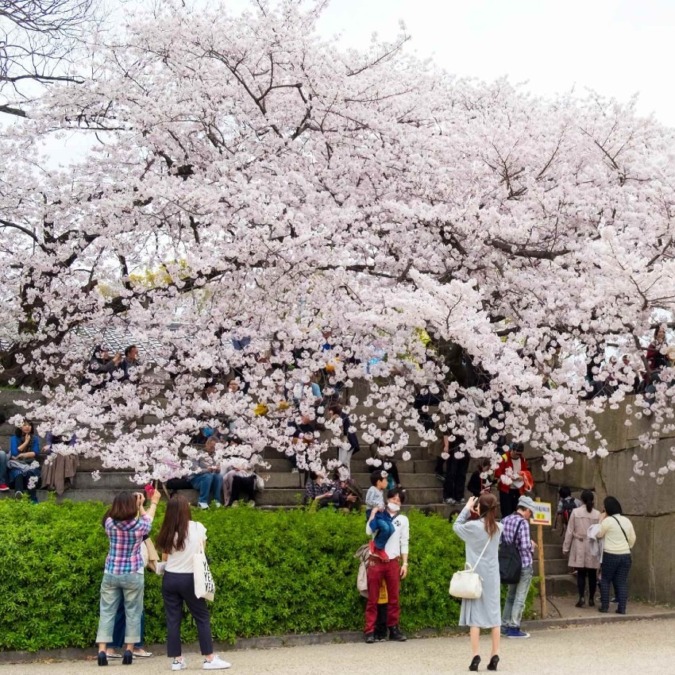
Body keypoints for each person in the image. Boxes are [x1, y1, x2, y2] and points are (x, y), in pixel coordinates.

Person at [156, 495, 231, 671]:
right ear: (186, 509)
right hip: (190, 578)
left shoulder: (167, 530)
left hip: (170, 578)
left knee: (173, 620)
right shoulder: (197, 527)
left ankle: (177, 660)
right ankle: (209, 658)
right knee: (202, 617)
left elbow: (164, 558)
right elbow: (201, 553)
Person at [95, 489, 161, 666]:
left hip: (111, 572)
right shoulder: (140, 527)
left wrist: (124, 503)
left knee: (106, 612)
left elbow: (110, 514)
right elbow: (149, 519)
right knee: (133, 612)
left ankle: (102, 650)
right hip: (132, 573)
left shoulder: (109, 524)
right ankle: (129, 651)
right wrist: (145, 504)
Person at [453, 494, 502, 672]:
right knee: (494, 616)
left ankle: (475, 656)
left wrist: (467, 508)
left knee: (475, 618)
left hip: (474, 578)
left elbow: (456, 526)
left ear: (479, 508)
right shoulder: (499, 528)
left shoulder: (472, 527)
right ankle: (495, 654)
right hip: (492, 577)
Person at [364, 488, 409, 644]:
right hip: (376, 560)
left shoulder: (403, 519)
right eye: (393, 499)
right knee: (373, 598)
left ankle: (394, 628)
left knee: (394, 598)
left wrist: (405, 563)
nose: (395, 502)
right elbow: (368, 531)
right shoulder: (380, 514)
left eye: (398, 500)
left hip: (393, 562)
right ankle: (370, 630)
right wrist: (373, 513)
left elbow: (404, 541)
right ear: (387, 499)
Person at [500, 495, 537, 639]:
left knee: (510, 596)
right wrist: (532, 545)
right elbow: (524, 545)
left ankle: (504, 625)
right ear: (526, 509)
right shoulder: (523, 523)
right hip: (524, 564)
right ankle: (514, 627)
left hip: (510, 564)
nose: (530, 515)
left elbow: (501, 541)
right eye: (530, 512)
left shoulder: (505, 520)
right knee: (520, 597)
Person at [596, 496, 636, 615]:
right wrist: (626, 547)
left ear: (607, 508)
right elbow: (632, 538)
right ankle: (622, 608)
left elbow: (598, 534)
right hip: (625, 555)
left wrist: (600, 520)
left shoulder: (608, 521)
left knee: (605, 580)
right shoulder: (627, 520)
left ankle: (605, 606)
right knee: (622, 581)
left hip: (610, 554)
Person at [563, 489, 601, 608]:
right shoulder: (597, 514)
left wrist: (566, 547)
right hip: (592, 544)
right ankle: (591, 599)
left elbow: (569, 531)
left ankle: (581, 597)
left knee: (580, 573)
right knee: (592, 574)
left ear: (582, 499)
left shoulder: (575, 512)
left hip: (579, 543)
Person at [494, 443, 532, 518]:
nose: (517, 455)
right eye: (516, 453)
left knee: (518, 511)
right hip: (506, 490)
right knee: (506, 512)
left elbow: (526, 472)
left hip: (518, 489)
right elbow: (498, 473)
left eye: (519, 454)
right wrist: (507, 477)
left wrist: (522, 477)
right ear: (512, 450)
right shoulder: (504, 458)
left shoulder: (522, 459)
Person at [8, 421, 41, 502]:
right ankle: (19, 496)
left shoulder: (35, 438)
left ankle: (33, 499)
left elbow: (35, 453)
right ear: (20, 427)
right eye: (25, 425)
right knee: (18, 473)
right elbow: (15, 453)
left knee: (31, 473)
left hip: (31, 464)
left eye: (29, 425)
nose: (27, 427)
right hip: (17, 465)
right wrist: (26, 442)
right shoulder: (14, 438)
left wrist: (22, 454)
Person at [365, 469, 394, 559]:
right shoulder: (372, 489)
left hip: (381, 513)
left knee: (391, 528)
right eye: (385, 480)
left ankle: (376, 543)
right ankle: (379, 548)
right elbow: (367, 501)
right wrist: (377, 505)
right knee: (385, 527)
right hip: (374, 513)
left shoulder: (381, 491)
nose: (386, 482)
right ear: (379, 482)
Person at [188, 438, 224, 509]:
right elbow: (194, 469)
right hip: (197, 479)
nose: (213, 449)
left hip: (210, 479)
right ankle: (202, 502)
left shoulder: (216, 456)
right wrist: (206, 470)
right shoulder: (197, 454)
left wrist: (218, 470)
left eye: (214, 448)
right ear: (206, 444)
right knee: (208, 476)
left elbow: (216, 470)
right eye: (211, 447)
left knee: (218, 476)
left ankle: (217, 501)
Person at [327, 403, 360, 474]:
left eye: (330, 411)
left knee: (345, 462)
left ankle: (346, 480)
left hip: (348, 442)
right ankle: (341, 480)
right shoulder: (337, 418)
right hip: (342, 442)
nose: (329, 412)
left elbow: (342, 431)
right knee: (340, 461)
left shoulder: (343, 417)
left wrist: (332, 419)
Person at [443, 435, 469, 505]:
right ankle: (448, 496)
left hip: (465, 445)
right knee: (451, 472)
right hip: (453, 445)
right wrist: (446, 445)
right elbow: (445, 432)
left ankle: (459, 495)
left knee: (462, 473)